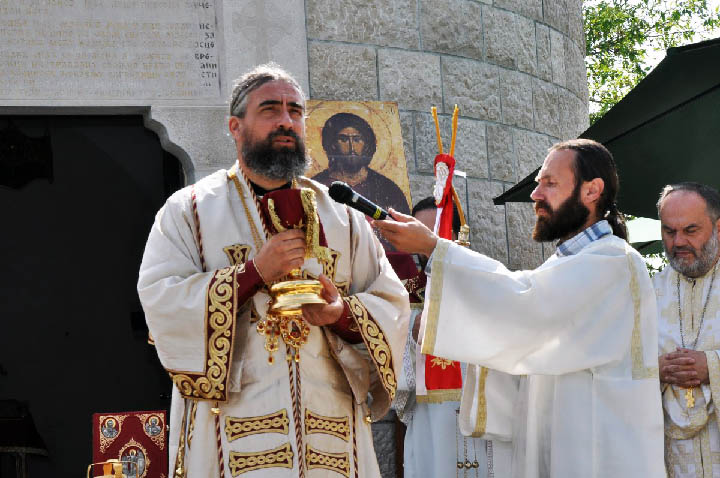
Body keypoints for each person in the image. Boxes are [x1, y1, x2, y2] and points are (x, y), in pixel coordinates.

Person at [137, 63, 409, 478]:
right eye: (270, 109)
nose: (286, 121)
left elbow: (392, 303)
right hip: (233, 429)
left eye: (295, 111)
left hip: (330, 432)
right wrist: (252, 274)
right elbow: (162, 302)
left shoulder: (343, 217)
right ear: (235, 126)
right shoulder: (190, 210)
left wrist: (340, 313)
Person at [374, 138, 665, 478]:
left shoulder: (613, 262)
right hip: (565, 450)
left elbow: (526, 302)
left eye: (550, 183)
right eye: (538, 183)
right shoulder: (567, 264)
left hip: (600, 457)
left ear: (591, 191)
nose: (535, 194)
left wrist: (435, 248)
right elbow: (525, 326)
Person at [654, 182, 720, 477]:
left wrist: (713, 366)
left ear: (719, 228)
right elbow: (619, 369)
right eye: (669, 231)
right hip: (672, 461)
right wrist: (655, 370)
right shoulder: (647, 293)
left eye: (690, 230)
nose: (678, 241)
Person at [312, 112, 409, 214]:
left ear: (366, 144)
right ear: (333, 144)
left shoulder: (387, 188)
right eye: (343, 139)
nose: (352, 147)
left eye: (357, 139)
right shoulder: (317, 185)